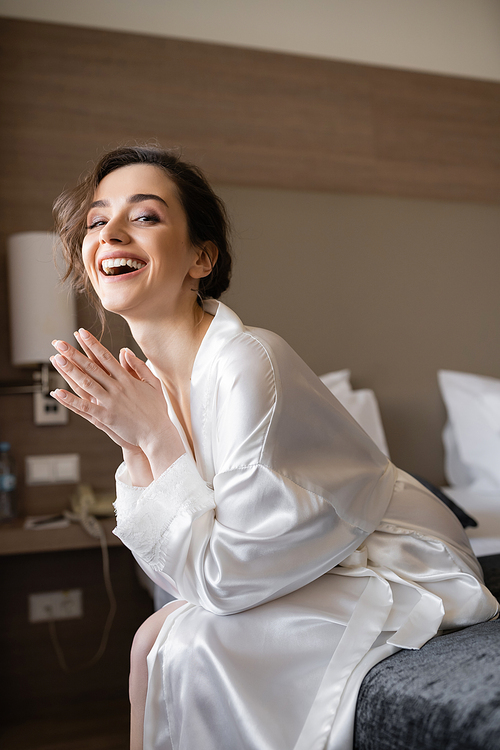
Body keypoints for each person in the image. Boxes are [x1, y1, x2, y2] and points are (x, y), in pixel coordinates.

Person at [50, 145, 498, 750]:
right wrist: (135, 444)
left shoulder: (249, 360)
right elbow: (173, 571)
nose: (112, 233)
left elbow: (226, 578)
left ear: (201, 257)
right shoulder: (151, 383)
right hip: (280, 564)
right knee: (151, 638)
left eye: (146, 216)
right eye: (98, 220)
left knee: (188, 642)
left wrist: (154, 436)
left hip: (394, 555)